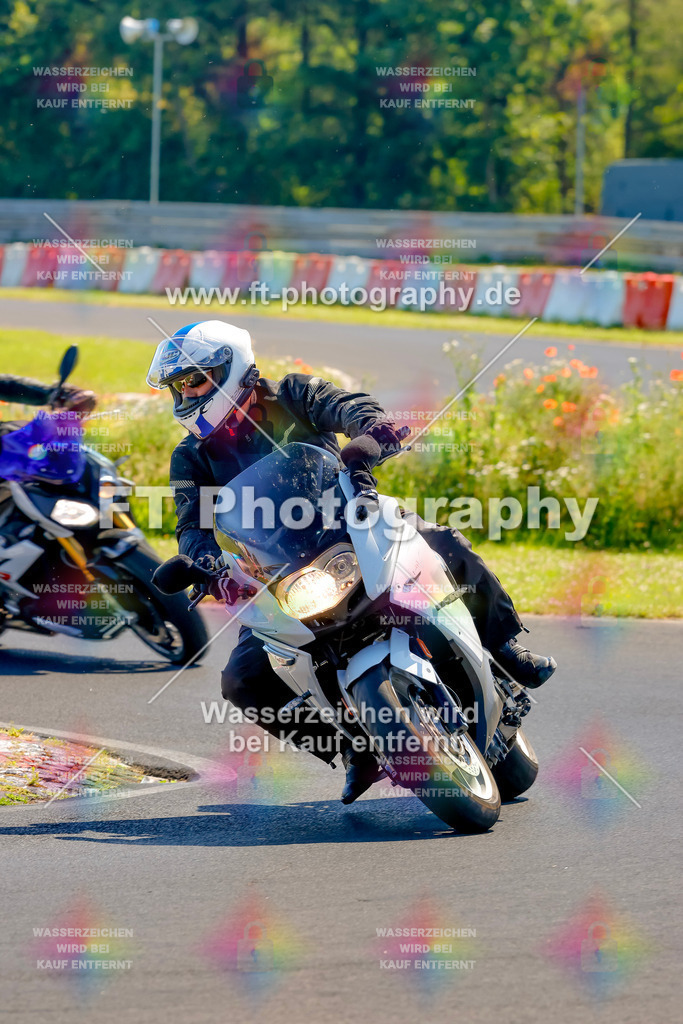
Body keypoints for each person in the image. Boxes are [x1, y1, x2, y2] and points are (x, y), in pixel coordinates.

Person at [148, 320, 557, 803]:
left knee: (445, 541)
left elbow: (356, 408)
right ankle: (354, 749)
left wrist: (367, 442)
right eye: (177, 386)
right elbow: (190, 528)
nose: (187, 393)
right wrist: (207, 565)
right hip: (277, 576)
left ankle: (505, 647)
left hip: (352, 528)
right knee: (243, 680)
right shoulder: (191, 458)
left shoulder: (296, 394)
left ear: (232, 368)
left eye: (194, 379)